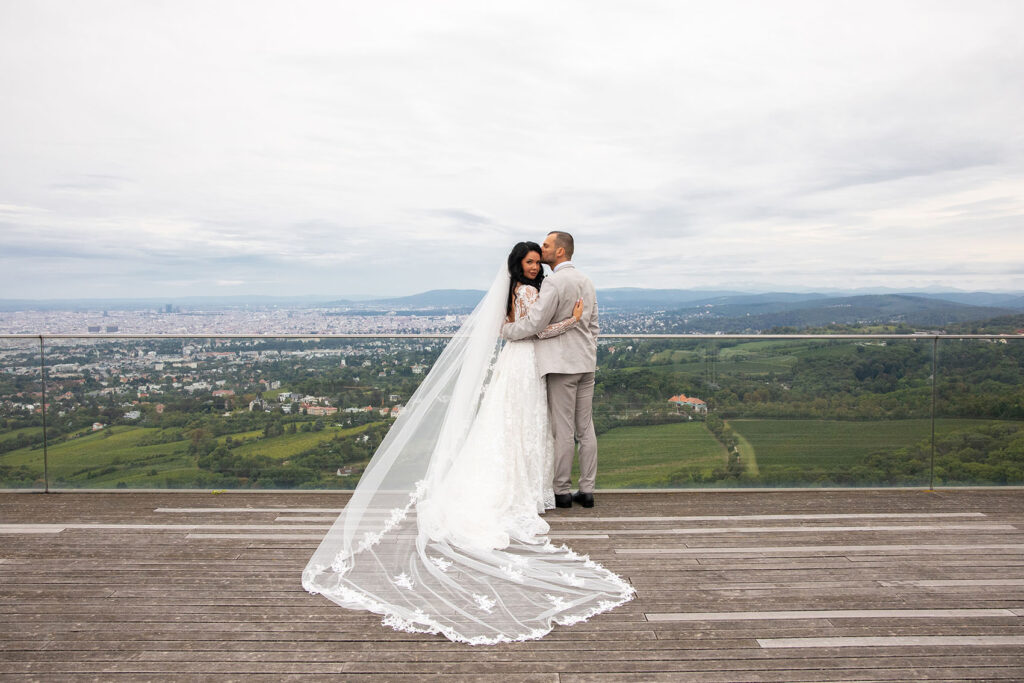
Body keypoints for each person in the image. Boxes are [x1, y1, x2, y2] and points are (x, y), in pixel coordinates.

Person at [303, 240, 633, 645]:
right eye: (530, 261)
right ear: (519, 265)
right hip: (539, 362)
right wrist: (568, 323)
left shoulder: (533, 287)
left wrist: (519, 329)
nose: (536, 265)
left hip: (532, 363)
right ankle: (567, 489)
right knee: (540, 426)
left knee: (530, 426)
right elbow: (531, 329)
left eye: (539, 257)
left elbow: (518, 328)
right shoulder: (555, 286)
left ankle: (556, 489)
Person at [501, 231, 599, 508]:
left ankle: (562, 491)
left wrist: (507, 331)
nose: (542, 250)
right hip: (586, 363)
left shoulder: (553, 282)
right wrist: (588, 351)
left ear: (559, 251)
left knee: (564, 430)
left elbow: (535, 325)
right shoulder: (587, 281)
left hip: (561, 365)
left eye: (546, 245)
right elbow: (593, 325)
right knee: (586, 428)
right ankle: (587, 490)